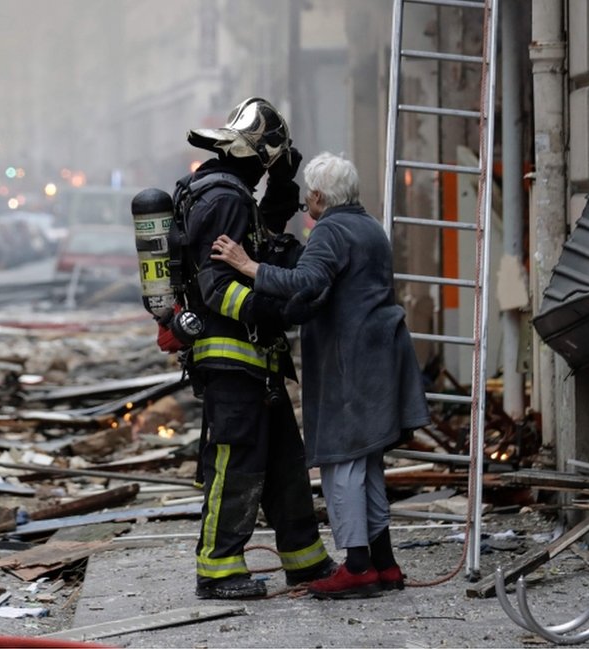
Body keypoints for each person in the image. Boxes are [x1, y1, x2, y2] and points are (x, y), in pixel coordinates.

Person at [211, 152, 431, 598]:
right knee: (367, 464)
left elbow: (306, 283)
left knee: (341, 464)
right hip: (381, 357)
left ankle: (357, 567)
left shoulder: (330, 229)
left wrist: (246, 265)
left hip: (351, 364)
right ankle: (384, 565)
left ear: (315, 195)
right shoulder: (369, 226)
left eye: (306, 196)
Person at [164, 97, 336, 600]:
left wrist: (286, 181)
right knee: (235, 462)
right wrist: (274, 309)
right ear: (257, 157)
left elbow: (265, 233)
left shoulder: (222, 191)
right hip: (233, 356)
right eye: (268, 165)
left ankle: (305, 559)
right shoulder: (227, 198)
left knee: (285, 460)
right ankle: (218, 568)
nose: (267, 175)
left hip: (256, 361)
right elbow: (219, 287)